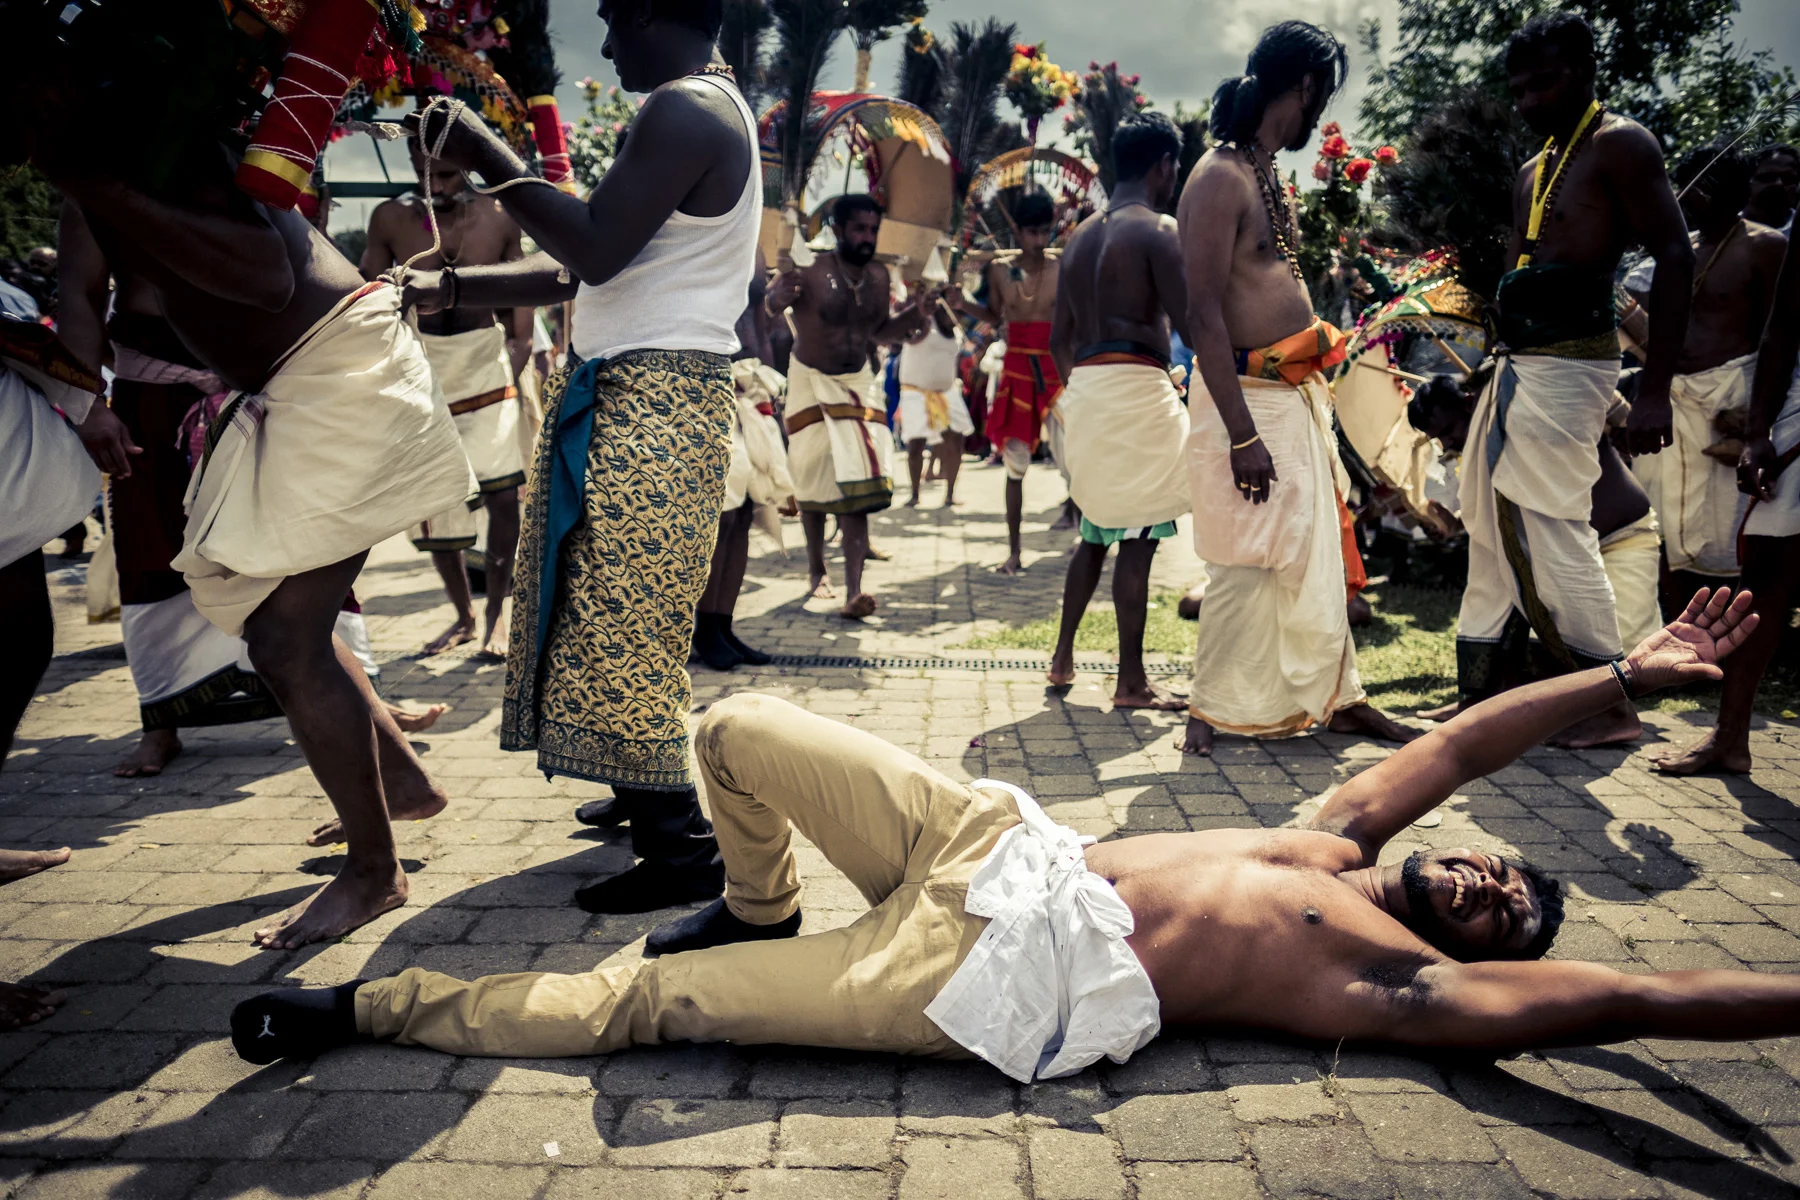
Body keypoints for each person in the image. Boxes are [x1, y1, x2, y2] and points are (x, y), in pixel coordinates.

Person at [234, 590, 1800, 1076]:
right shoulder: (1337, 841)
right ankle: (761, 898)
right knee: (728, 732)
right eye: (1497, 863)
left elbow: (1640, 998)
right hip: (991, 836)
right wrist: (1621, 672)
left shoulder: (1399, 983)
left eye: (1500, 908)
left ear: (1480, 955)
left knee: (649, 1005)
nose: (1478, 874)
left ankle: (363, 1010)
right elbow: (1457, 742)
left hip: (988, 980)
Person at [16, 36, 475, 949]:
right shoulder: (94, 186)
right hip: (289, 387)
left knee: (284, 638)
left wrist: (94, 181)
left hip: (340, 373)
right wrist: (76, 396)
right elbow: (79, 307)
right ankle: (407, 787)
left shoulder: (169, 154)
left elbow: (265, 277)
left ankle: (374, 873)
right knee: (271, 616)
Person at [399, 0, 763, 914]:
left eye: (611, 19)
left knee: (620, 621)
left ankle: (681, 855)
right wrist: (448, 283)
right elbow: (583, 260)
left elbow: (592, 250)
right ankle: (641, 793)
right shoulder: (702, 106)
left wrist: (488, 151)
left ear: (655, 11)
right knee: (609, 612)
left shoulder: (685, 109)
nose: (603, 42)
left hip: (653, 397)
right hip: (641, 392)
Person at [1450, 12, 1694, 747]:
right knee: (1490, 525)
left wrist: (1655, 388)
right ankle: (1481, 700)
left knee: (1554, 526)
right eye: (1518, 88)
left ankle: (1609, 705)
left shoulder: (1622, 144)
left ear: (1588, 70)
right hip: (1520, 366)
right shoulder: (1535, 166)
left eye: (1545, 81)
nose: (1529, 100)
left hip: (1573, 366)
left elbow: (1676, 258)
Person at [1174, 21, 1415, 757]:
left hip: (1292, 397)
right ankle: (1208, 711)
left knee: (1309, 553)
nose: (1320, 113)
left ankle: (1338, 699)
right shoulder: (1218, 176)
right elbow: (1201, 312)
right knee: (1251, 554)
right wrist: (1243, 433)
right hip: (1247, 399)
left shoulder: (1263, 169)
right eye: (1323, 95)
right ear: (1306, 85)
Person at [363, 133, 530, 660]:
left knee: (504, 497)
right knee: (436, 501)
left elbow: (521, 318)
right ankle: (462, 615)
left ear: (468, 167)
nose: (434, 186)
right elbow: (368, 299)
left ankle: (498, 616)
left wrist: (512, 370)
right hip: (421, 366)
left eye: (447, 176)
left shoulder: (502, 216)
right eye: (424, 175)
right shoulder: (391, 218)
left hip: (487, 365)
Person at [1045, 113, 1192, 711]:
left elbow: (1060, 337)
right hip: (1135, 389)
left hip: (1086, 391)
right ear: (1164, 165)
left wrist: (1080, 396)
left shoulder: (1079, 236)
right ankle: (1131, 682)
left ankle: (1061, 659)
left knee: (1095, 532)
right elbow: (1191, 323)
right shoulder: (1159, 229)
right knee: (1137, 538)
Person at [1655, 216, 1800, 774]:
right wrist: (1760, 431)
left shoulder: (1764, 242)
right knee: (1763, 578)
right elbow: (1784, 323)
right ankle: (1730, 738)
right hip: (1794, 411)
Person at [1622, 143, 1786, 602]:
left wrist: (1757, 424)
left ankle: (1729, 642)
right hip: (1671, 404)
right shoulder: (1676, 251)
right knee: (1663, 531)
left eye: (1694, 188)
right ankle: (1676, 645)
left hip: (1730, 404)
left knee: (1732, 535)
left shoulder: (1765, 246)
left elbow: (1778, 339)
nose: (1682, 197)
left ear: (1723, 191)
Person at [1410, 374, 1665, 662]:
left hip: (1622, 540)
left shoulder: (1537, 405)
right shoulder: (1480, 447)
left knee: (1627, 661)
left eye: (1448, 430)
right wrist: (1455, 525)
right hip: (1558, 557)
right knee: (1557, 662)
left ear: (1471, 405)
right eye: (1437, 439)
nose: (1446, 444)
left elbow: (1603, 397)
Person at [764, 195, 935, 618]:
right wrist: (777, 295)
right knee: (813, 477)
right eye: (858, 229)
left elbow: (880, 332)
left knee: (860, 478)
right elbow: (769, 307)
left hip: (858, 382)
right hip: (809, 379)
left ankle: (854, 590)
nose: (866, 237)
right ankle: (817, 569)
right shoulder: (811, 270)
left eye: (872, 230)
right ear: (837, 229)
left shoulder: (879, 276)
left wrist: (917, 312)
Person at [955, 194, 1067, 574]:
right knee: (1015, 465)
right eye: (1032, 231)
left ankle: (1087, 532)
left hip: (1057, 371)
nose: (1039, 239)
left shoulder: (1062, 267)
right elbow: (992, 314)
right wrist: (961, 303)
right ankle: (1015, 552)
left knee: (1076, 456)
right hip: (1017, 371)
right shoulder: (1000, 271)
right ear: (1017, 230)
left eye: (1044, 231)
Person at [896, 294, 974, 508]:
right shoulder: (922, 325)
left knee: (955, 442)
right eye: (955, 311)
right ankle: (914, 494)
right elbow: (907, 336)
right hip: (915, 394)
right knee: (915, 445)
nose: (958, 316)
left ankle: (950, 494)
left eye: (960, 313)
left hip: (947, 393)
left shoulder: (956, 332)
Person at [1744, 144, 1799, 232]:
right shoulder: (1725, 226)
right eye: (1768, 177)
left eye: (1788, 179)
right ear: (1748, 181)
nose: (1778, 184)